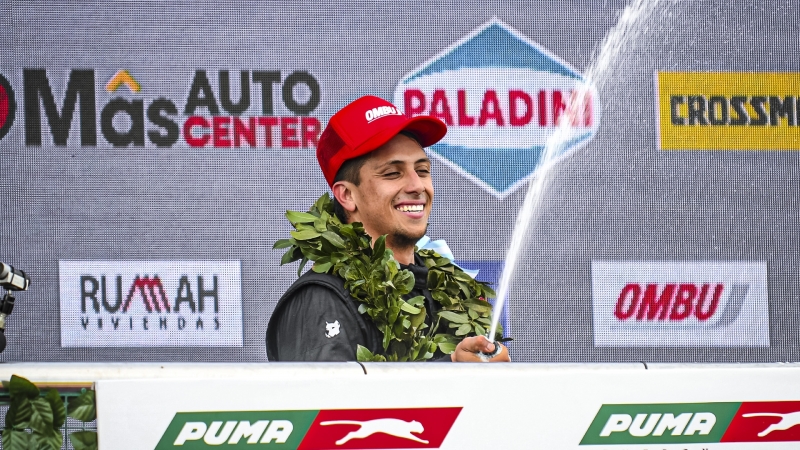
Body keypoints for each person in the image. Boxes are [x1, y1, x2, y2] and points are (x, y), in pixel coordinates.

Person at [266, 95, 509, 363]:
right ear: (347, 195)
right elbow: (329, 404)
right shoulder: (320, 301)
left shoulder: (450, 290)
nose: (417, 186)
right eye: (393, 173)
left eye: (423, 170)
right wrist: (451, 369)